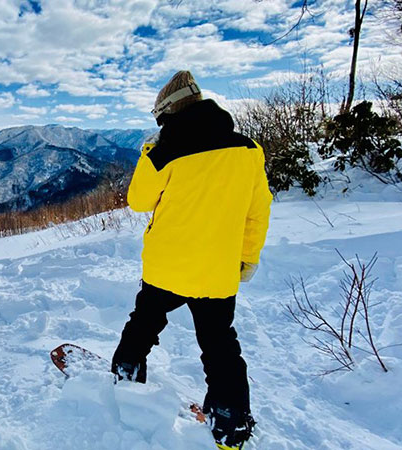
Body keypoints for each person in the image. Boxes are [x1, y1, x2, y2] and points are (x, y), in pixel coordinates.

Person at [110, 70, 271, 450]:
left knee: (143, 326)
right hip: (217, 270)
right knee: (220, 347)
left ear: (167, 112)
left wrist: (149, 152)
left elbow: (137, 201)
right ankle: (231, 424)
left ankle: (125, 378)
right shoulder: (247, 150)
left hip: (166, 267)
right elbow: (257, 210)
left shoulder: (164, 151)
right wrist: (246, 258)